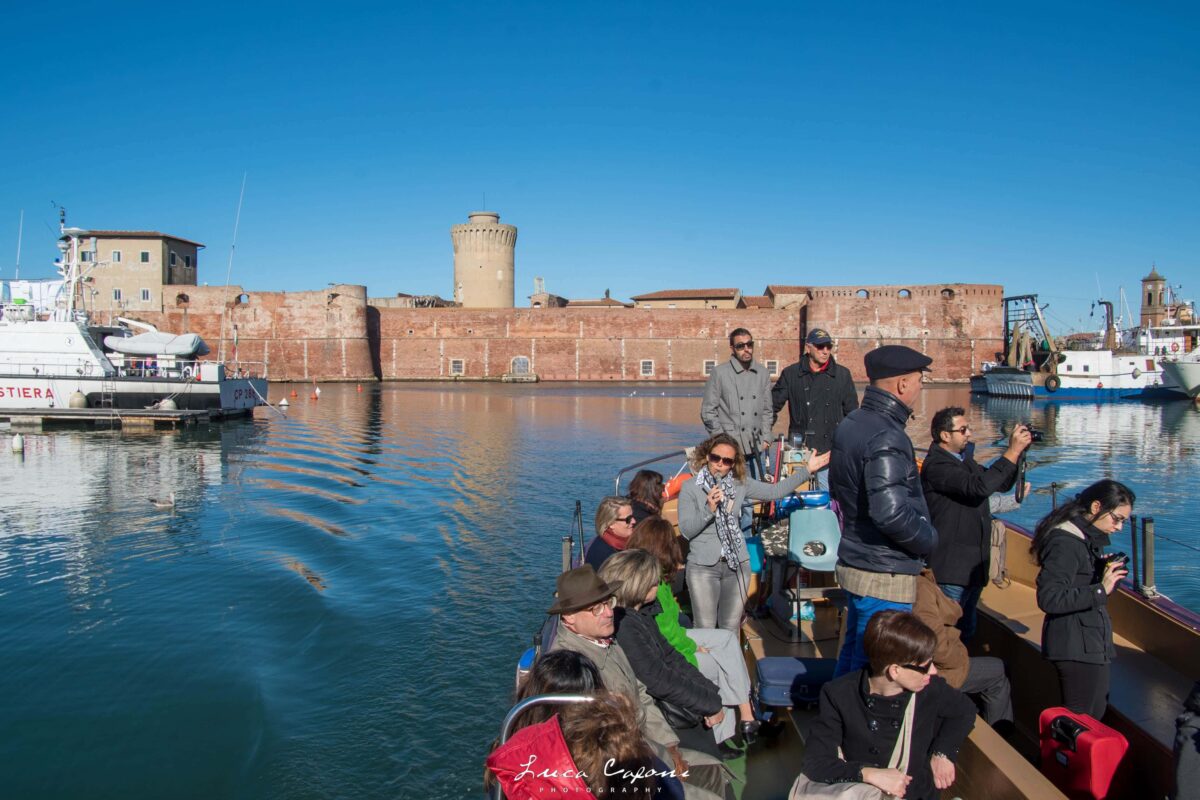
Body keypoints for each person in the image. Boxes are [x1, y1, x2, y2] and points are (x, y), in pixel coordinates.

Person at [546, 565, 729, 798]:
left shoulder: (606, 641)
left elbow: (641, 693)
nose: (608, 612)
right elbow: (602, 745)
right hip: (624, 768)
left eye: (608, 602)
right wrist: (664, 759)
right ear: (569, 617)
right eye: (595, 609)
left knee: (714, 769)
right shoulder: (569, 668)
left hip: (650, 746)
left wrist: (670, 745)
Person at [829, 345, 938, 677]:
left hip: (858, 560)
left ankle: (837, 722)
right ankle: (860, 728)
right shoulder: (887, 435)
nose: (920, 388)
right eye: (919, 380)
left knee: (853, 657)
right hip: (884, 573)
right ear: (903, 384)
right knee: (878, 669)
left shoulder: (852, 423)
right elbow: (890, 513)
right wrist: (929, 540)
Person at [799, 610, 977, 800]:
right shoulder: (840, 695)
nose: (932, 671)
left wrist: (943, 752)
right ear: (895, 670)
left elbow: (965, 711)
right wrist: (868, 774)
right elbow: (815, 762)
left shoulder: (928, 689)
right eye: (925, 665)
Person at [627, 517, 761, 742]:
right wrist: (694, 647)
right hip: (672, 648)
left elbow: (670, 628)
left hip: (676, 639)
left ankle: (746, 712)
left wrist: (693, 643)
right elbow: (666, 633)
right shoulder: (652, 586)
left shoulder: (655, 578)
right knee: (719, 668)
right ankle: (722, 735)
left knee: (727, 638)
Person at [678, 432, 829, 630]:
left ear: (733, 464)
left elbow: (774, 492)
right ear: (707, 456)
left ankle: (730, 660)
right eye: (715, 458)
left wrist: (807, 469)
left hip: (737, 566)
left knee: (730, 627)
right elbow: (687, 530)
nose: (719, 464)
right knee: (705, 627)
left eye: (726, 461)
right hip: (703, 567)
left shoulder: (740, 484)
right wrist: (709, 510)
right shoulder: (690, 488)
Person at [921, 407, 1033, 641]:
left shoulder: (964, 462)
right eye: (963, 430)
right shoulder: (938, 467)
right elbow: (978, 488)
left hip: (972, 568)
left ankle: (961, 674)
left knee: (967, 630)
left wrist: (1018, 454)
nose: (969, 433)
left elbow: (997, 484)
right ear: (945, 435)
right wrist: (1011, 451)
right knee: (946, 634)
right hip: (951, 570)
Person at [1032, 479, 1135, 719]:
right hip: (1075, 646)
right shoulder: (1065, 542)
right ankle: (1056, 757)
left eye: (1124, 521)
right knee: (1080, 721)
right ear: (1096, 507)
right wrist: (1101, 588)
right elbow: (1050, 597)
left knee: (1093, 714)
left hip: (1088, 643)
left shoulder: (1085, 538)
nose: (1119, 527)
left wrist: (1099, 571)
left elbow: (1075, 580)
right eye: (1117, 518)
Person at [912, 568, 1013, 729]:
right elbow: (935, 645)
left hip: (932, 663)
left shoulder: (918, 580)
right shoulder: (920, 587)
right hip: (938, 670)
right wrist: (959, 657)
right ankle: (998, 736)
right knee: (998, 671)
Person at [770, 327, 858, 489]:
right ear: (808, 347)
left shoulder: (842, 375)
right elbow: (771, 407)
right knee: (799, 500)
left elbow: (852, 415)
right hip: (800, 451)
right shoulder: (791, 374)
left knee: (825, 501)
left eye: (828, 347)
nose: (825, 351)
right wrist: (765, 435)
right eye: (820, 346)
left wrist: (848, 447)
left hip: (830, 452)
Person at [700, 328, 773, 477]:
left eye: (749, 344)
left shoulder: (763, 373)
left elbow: (767, 410)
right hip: (730, 449)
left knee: (756, 495)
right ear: (732, 348)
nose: (746, 349)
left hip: (756, 446)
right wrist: (721, 441)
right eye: (740, 346)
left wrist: (766, 436)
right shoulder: (719, 373)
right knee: (732, 495)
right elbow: (708, 412)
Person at [584, 496, 636, 571]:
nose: (634, 521)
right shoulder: (606, 554)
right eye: (628, 519)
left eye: (633, 516)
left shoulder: (614, 544)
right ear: (611, 523)